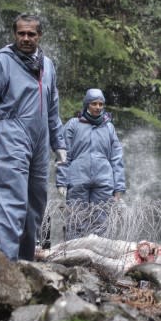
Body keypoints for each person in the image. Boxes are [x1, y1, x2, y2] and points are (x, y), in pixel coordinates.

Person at [0, 13, 66, 261]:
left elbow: (53, 108)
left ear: (39, 36)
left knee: (35, 204)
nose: (26, 38)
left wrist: (59, 143)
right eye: (21, 33)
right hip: (10, 135)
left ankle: (24, 264)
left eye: (31, 34)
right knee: (11, 201)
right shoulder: (2, 62)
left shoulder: (48, 65)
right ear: (14, 35)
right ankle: (0, 264)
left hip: (40, 141)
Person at [56, 88, 126, 238]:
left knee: (102, 221)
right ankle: (72, 255)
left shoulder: (108, 127)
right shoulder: (73, 125)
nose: (98, 107)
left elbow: (116, 158)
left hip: (104, 180)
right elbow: (63, 154)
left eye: (101, 104)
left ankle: (97, 258)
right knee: (76, 220)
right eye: (94, 103)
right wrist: (61, 181)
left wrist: (119, 186)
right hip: (78, 178)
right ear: (87, 104)